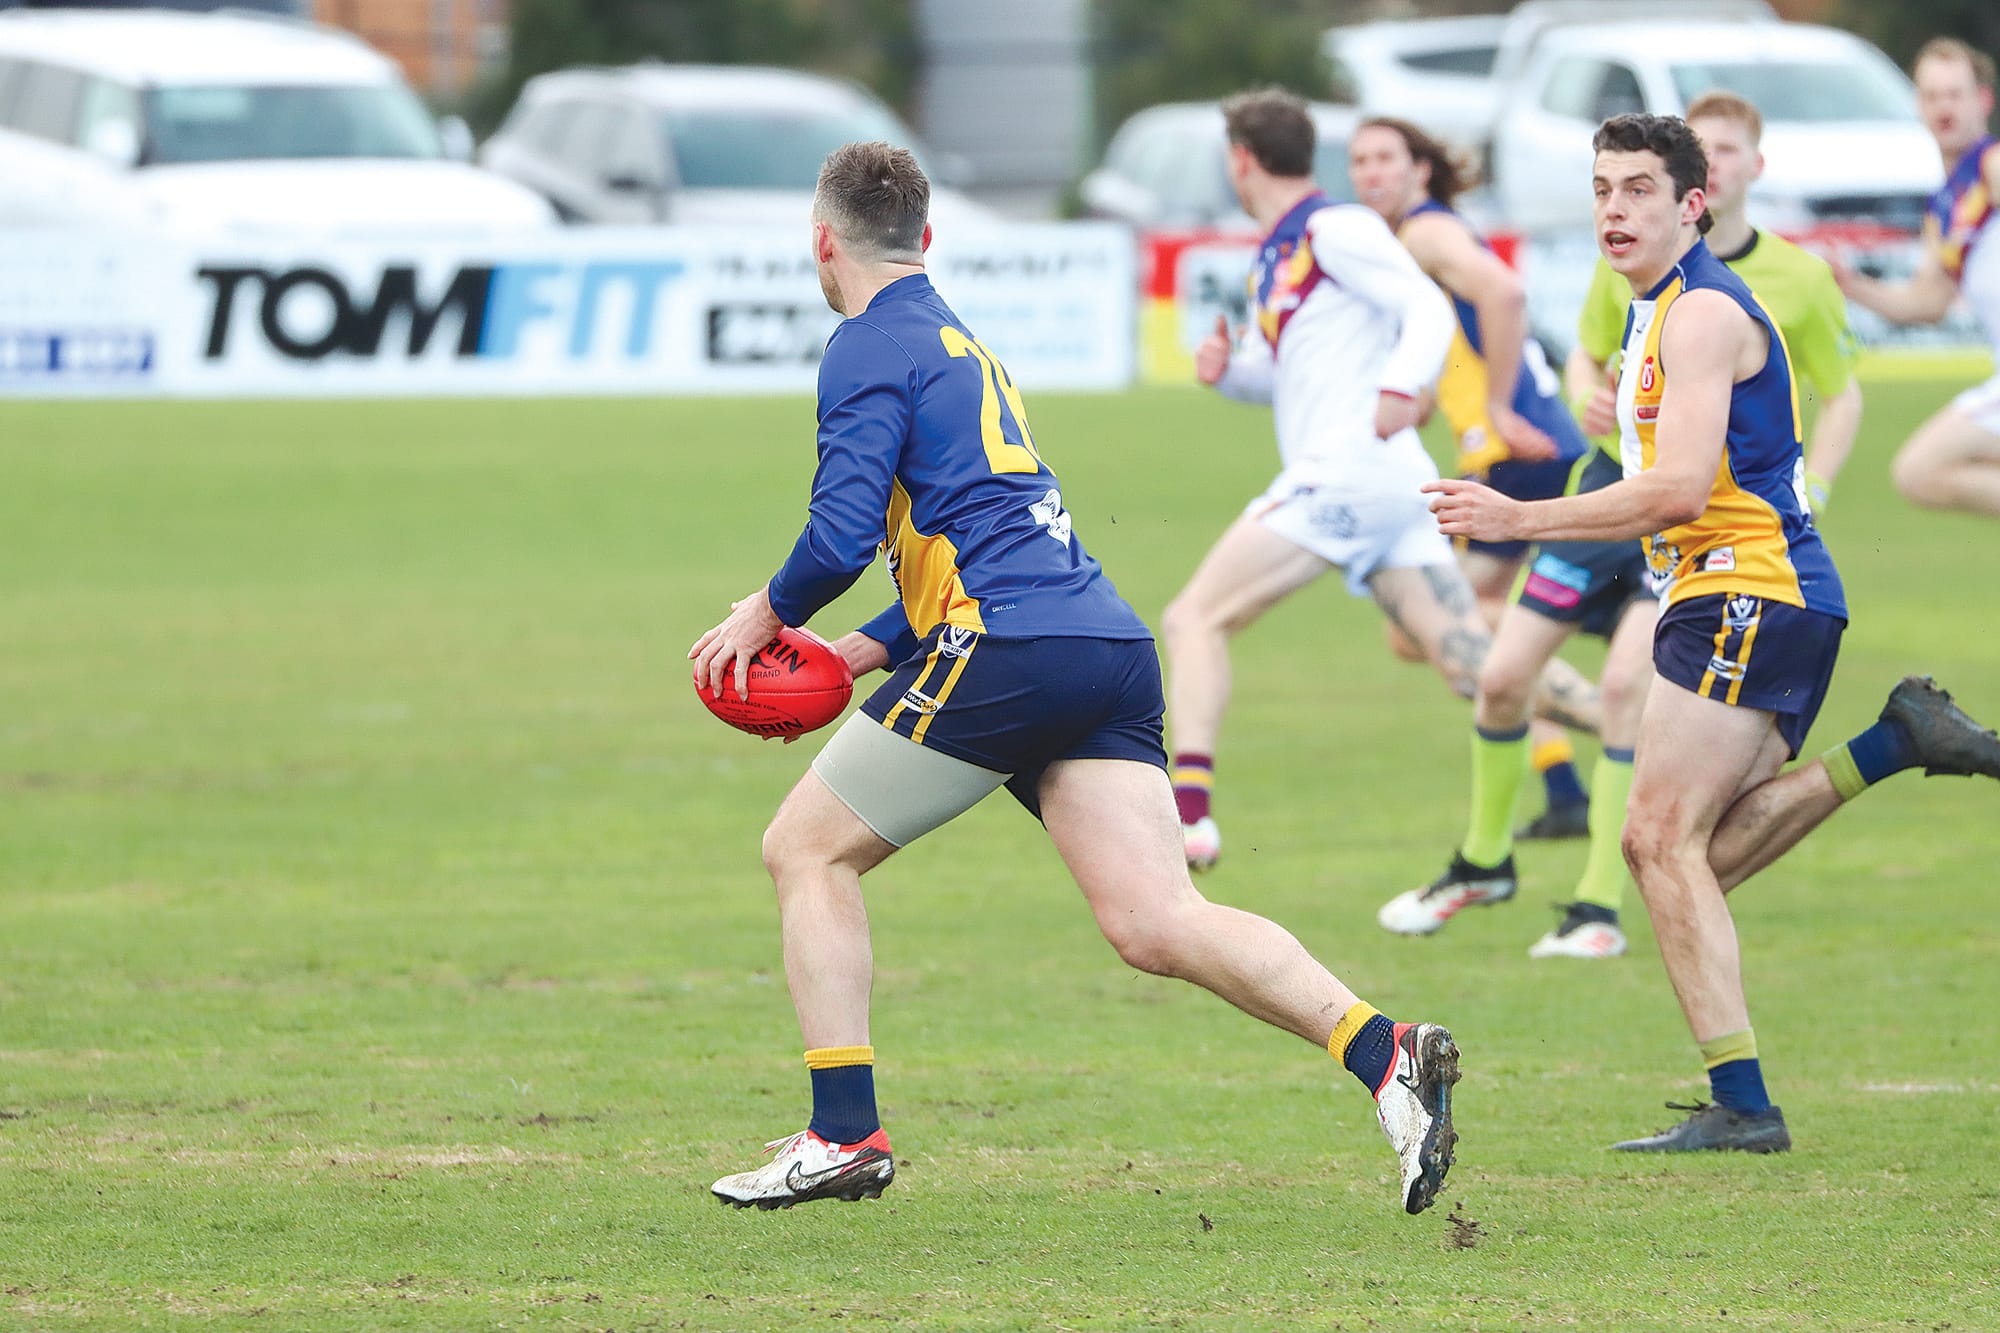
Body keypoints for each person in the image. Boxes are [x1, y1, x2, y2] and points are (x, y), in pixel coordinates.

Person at [690, 140, 1462, 1214]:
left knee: (805, 850)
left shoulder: (864, 344)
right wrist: (862, 648)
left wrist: (760, 614)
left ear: (822, 242)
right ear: (927, 238)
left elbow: (835, 538)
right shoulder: (962, 340)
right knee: (1156, 919)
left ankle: (841, 1130)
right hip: (1099, 642)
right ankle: (1383, 1052)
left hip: (1003, 646)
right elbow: (977, 533)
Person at [1424, 114, 2000, 1152]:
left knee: (1654, 842)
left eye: (1639, 188)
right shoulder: (1652, 313)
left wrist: (1518, 519)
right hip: (1740, 592)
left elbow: (1680, 487)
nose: (1613, 208)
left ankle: (1744, 1106)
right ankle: (1895, 741)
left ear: (1692, 206)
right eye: (1601, 188)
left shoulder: (1696, 316)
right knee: (1688, 861)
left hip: (1745, 587)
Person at [1163, 89, 1599, 874]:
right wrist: (1231, 375)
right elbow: (1298, 378)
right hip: (1393, 488)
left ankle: (1188, 816)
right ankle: (1630, 718)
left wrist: (1403, 384)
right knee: (1477, 667)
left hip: (1348, 474)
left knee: (1194, 617)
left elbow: (1426, 305)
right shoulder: (1285, 247)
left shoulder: (1336, 227)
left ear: (1241, 161)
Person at [1349, 116, 1600, 844]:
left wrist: (1492, 406)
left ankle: (1608, 640)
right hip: (1515, 448)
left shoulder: (1423, 233)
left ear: (1420, 170)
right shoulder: (1411, 243)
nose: (1370, 174)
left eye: (1386, 158)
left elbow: (1505, 293)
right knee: (1442, 630)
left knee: (1429, 623)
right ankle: (1564, 785)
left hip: (1517, 450)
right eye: (1359, 161)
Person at [1573, 91, 1864, 516]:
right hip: (1619, 466)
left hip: (1727, 494)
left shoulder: (1804, 277)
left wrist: (1814, 486)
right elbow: (1587, 353)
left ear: (1757, 165)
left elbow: (1841, 395)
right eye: (1701, 148)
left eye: (1726, 150)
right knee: (1541, 585)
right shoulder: (1627, 258)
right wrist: (1585, 398)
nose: (1712, 163)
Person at [1834, 36, 2000, 519]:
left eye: (1955, 93)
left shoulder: (1990, 165)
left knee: (1920, 469)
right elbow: (1928, 304)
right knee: (1920, 473)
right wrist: (1851, 285)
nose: (1943, 106)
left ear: (1982, 101)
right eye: (1931, 95)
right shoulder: (1946, 203)